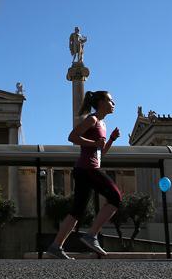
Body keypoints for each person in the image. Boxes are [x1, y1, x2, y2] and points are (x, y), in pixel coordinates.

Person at [46, 90, 122, 260]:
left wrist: (111, 139)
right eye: (110, 100)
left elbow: (101, 151)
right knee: (115, 196)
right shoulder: (92, 119)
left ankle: (55, 246)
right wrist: (95, 142)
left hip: (87, 169)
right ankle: (91, 235)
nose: (114, 104)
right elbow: (72, 136)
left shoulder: (102, 124)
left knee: (77, 211)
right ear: (101, 102)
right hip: (87, 168)